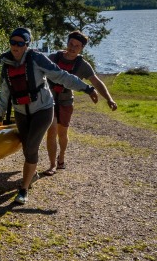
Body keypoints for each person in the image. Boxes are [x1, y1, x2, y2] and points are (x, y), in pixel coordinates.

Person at [0, 27, 99, 204]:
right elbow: (5, 91)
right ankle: (32, 173)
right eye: (13, 42)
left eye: (20, 43)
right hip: (21, 111)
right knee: (27, 146)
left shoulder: (36, 58)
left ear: (26, 45)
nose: (15, 46)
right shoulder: (6, 62)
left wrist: (87, 88)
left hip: (43, 109)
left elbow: (61, 76)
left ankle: (23, 190)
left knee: (32, 146)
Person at [43, 30, 118, 176]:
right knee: (51, 131)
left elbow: (97, 82)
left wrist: (109, 99)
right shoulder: (53, 58)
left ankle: (61, 157)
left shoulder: (83, 65)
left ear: (81, 48)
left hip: (66, 101)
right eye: (71, 43)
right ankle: (52, 165)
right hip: (49, 100)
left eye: (77, 46)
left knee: (62, 133)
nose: (72, 47)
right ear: (67, 43)